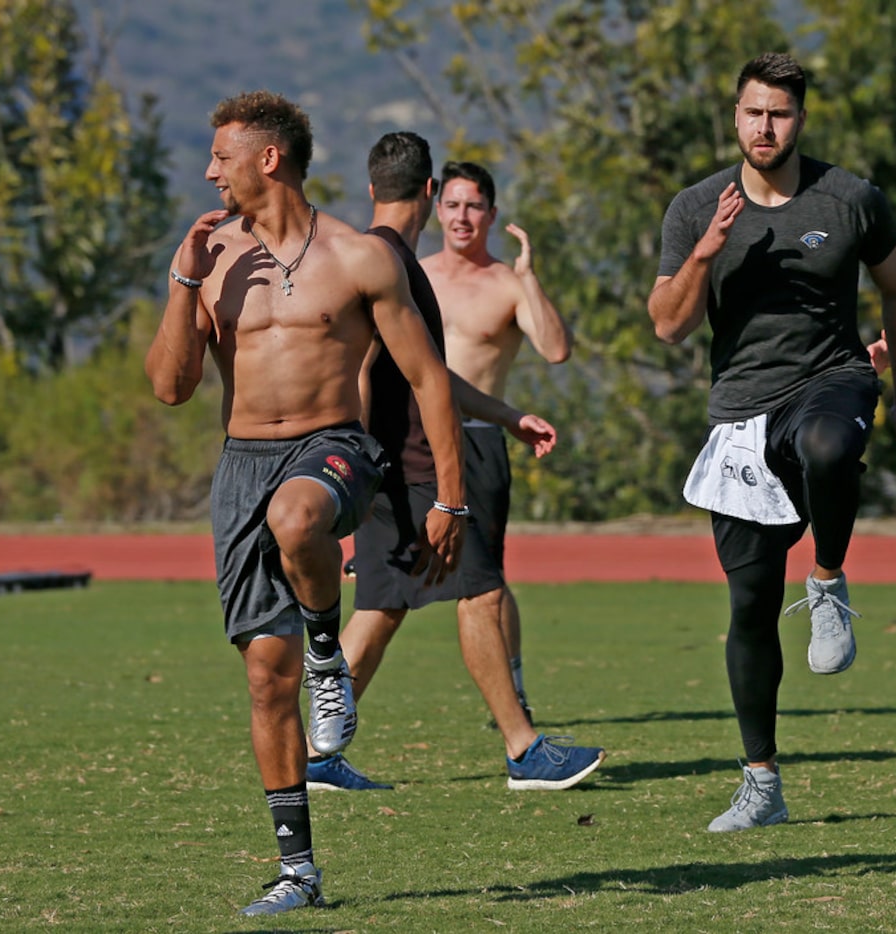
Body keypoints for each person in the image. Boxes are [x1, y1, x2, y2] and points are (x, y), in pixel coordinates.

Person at [143, 93, 466, 916]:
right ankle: (300, 872)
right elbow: (171, 388)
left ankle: (330, 648)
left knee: (298, 520)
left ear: (269, 159)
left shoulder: (360, 257)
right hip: (241, 463)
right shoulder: (212, 257)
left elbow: (429, 380)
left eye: (222, 156)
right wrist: (184, 282)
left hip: (336, 450)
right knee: (264, 679)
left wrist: (451, 501)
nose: (210, 170)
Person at [648, 52, 896, 832]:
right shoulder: (696, 206)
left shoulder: (850, 197)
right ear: (734, 117)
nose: (765, 127)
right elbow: (667, 324)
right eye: (753, 113)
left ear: (802, 119)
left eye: (780, 114)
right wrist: (706, 251)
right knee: (749, 604)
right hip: (740, 414)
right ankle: (761, 782)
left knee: (833, 446)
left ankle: (829, 580)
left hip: (832, 378)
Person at [304, 131, 603, 794]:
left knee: (382, 605)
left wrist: (504, 416)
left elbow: (419, 369)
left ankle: (318, 756)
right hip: (412, 465)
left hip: (379, 464)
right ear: (432, 195)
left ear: (372, 184)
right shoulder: (396, 266)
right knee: (481, 590)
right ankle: (524, 750)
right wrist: (443, 493)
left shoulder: (362, 256)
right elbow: (413, 381)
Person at [421, 160, 573, 719]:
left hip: (480, 441)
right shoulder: (414, 275)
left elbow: (556, 350)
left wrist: (529, 277)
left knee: (486, 580)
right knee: (384, 590)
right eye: (453, 204)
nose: (463, 216)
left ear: (492, 214)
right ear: (437, 208)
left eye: (475, 206)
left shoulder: (508, 282)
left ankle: (513, 691)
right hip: (414, 440)